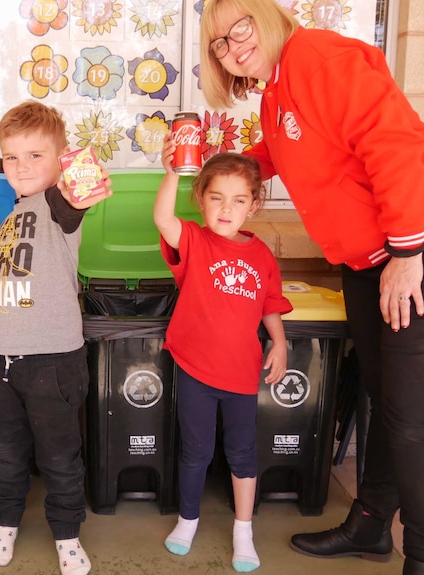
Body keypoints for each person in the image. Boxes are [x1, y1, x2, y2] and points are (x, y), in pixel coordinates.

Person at [198, 2, 424, 575]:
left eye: (241, 28)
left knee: (412, 413)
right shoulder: (276, 92)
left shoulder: (317, 57)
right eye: (219, 43)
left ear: (269, 16)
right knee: (383, 401)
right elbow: (270, 160)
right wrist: (209, 168)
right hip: (374, 257)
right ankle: (371, 525)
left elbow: (390, 144)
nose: (233, 46)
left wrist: (408, 252)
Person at [0, 100, 112, 575]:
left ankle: (67, 534)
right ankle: (6, 522)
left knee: (59, 456)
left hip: (52, 362)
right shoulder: (13, 213)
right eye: (12, 157)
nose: (21, 166)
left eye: (36, 155)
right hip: (1, 361)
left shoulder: (56, 206)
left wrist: (81, 179)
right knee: (7, 452)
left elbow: (78, 196)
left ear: (59, 160)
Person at [155, 146, 292, 572]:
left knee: (242, 453)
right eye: (216, 198)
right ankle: (187, 520)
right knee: (195, 451)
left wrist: (280, 343)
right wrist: (174, 171)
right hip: (195, 369)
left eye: (237, 200)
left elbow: (269, 302)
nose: (226, 209)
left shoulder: (262, 255)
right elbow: (163, 219)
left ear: (253, 205)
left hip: (241, 373)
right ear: (201, 200)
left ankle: (243, 530)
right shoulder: (194, 240)